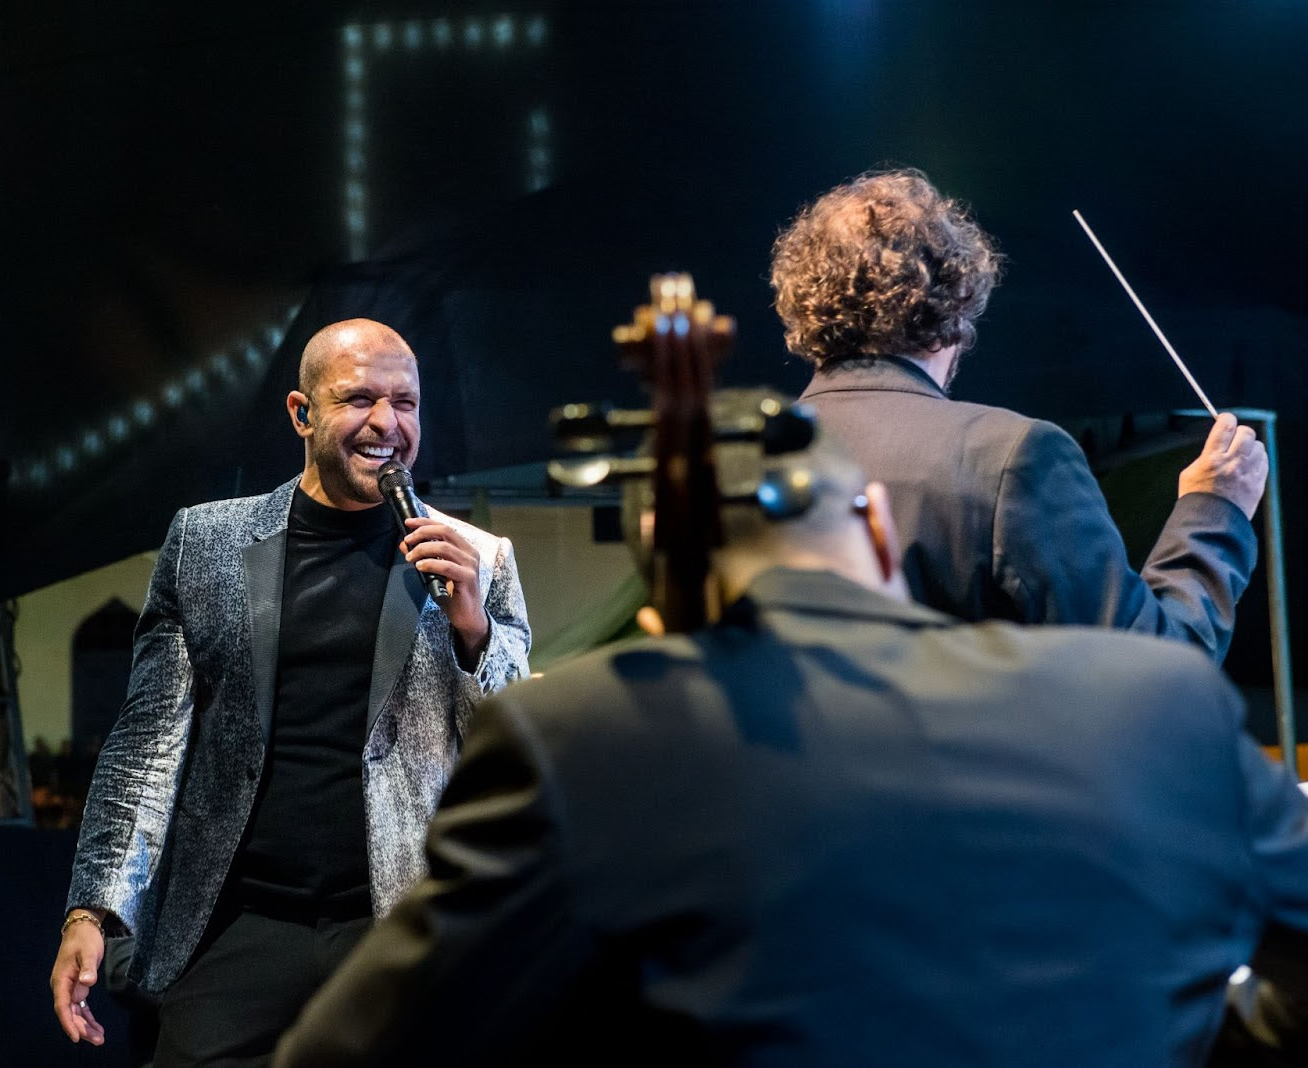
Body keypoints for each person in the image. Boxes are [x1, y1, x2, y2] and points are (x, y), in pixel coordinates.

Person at [274, 414, 1308, 1067]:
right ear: (875, 528)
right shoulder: (1161, 702)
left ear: (662, 589)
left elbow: (352, 1049)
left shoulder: (580, 736)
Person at [49, 318, 531, 1065]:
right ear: (302, 414)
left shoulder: (478, 558)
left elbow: (513, 747)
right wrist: (92, 909)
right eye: (359, 399)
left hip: (394, 928)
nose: (387, 423)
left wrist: (474, 629)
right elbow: (145, 747)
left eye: (405, 402)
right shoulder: (205, 544)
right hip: (239, 926)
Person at [769, 168, 1266, 659]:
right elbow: (1151, 669)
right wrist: (1215, 510)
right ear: (955, 311)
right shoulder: (1011, 457)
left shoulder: (746, 458)